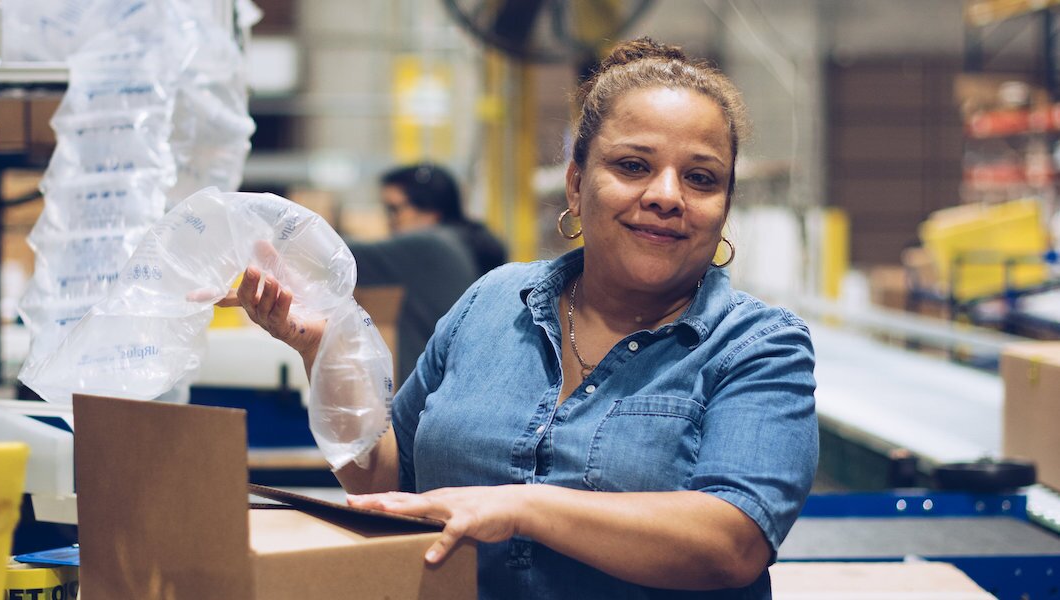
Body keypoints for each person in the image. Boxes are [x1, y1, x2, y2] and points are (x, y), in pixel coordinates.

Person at [224, 38, 817, 599]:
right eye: (634, 165)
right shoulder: (493, 302)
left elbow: (733, 541)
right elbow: (386, 482)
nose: (667, 195)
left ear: (724, 206)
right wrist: (324, 349)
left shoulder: (757, 346)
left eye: (701, 177)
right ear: (577, 183)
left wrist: (516, 507)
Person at [345, 163, 508, 382]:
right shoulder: (460, 242)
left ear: (430, 210)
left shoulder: (431, 246)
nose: (389, 221)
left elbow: (342, 255)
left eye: (394, 210)